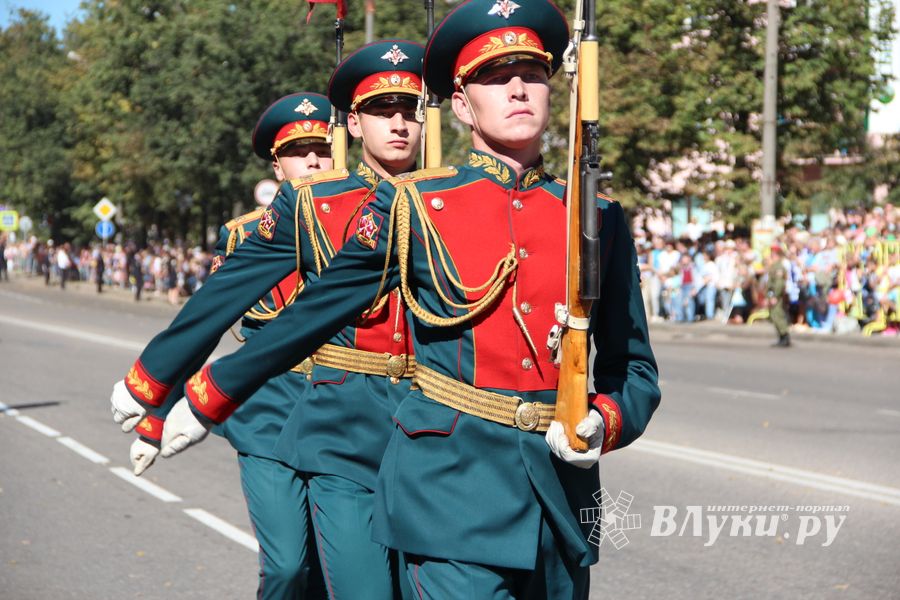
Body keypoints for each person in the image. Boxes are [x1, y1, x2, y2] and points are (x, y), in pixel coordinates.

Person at [151, 2, 659, 597]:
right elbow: (315, 313)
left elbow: (635, 368)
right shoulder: (415, 206)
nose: (518, 88)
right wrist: (209, 394)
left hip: (560, 501)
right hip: (450, 491)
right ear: (464, 106)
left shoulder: (595, 218)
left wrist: (606, 420)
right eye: (496, 78)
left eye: (532, 75)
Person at [112, 40, 426, 598]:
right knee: (291, 568)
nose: (312, 160)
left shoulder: (440, 198)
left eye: (317, 148)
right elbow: (217, 308)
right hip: (288, 406)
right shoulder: (301, 212)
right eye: (298, 152)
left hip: (421, 416)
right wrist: (154, 395)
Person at [767, 244, 791, 347]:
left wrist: (775, 296)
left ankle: (784, 336)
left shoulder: (779, 267)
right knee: (774, 315)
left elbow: (779, 284)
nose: (771, 255)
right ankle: (781, 337)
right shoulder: (774, 265)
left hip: (777, 295)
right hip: (773, 294)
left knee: (778, 315)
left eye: (773, 253)